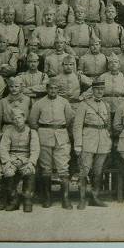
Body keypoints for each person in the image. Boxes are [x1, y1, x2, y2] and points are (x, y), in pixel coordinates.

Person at [29, 81, 75, 209]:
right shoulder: (39, 103)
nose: (53, 90)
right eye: (50, 88)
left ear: (58, 89)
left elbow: (70, 119)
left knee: (63, 167)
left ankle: (65, 198)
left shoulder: (64, 102)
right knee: (46, 168)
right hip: (44, 137)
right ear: (46, 88)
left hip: (61, 136)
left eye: (55, 88)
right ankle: (47, 197)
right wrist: (43, 131)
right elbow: (33, 121)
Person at [73, 80, 113, 209]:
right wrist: (78, 144)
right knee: (84, 170)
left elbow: (109, 125)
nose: (100, 91)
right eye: (97, 89)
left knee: (98, 170)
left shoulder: (106, 105)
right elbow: (77, 126)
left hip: (103, 141)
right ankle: (82, 199)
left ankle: (95, 197)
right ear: (92, 90)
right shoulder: (84, 105)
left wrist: (109, 140)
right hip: (88, 139)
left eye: (102, 89)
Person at [0, 108, 41, 212]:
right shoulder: (8, 131)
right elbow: (3, 149)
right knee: (8, 172)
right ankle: (14, 200)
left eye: (19, 118)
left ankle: (27, 199)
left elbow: (35, 150)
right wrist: (8, 162)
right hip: (11, 158)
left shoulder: (32, 132)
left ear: (24, 118)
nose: (17, 120)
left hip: (26, 159)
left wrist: (30, 162)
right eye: (14, 119)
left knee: (29, 171)